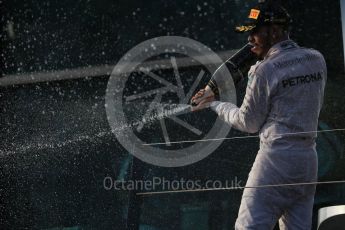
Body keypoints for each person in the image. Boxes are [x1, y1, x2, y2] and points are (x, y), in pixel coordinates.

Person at [191, 1, 327, 229]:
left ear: (274, 31)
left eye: (255, 32)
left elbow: (248, 123)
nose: (249, 39)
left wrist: (214, 104)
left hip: (275, 160)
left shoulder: (264, 70)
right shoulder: (316, 59)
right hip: (308, 161)